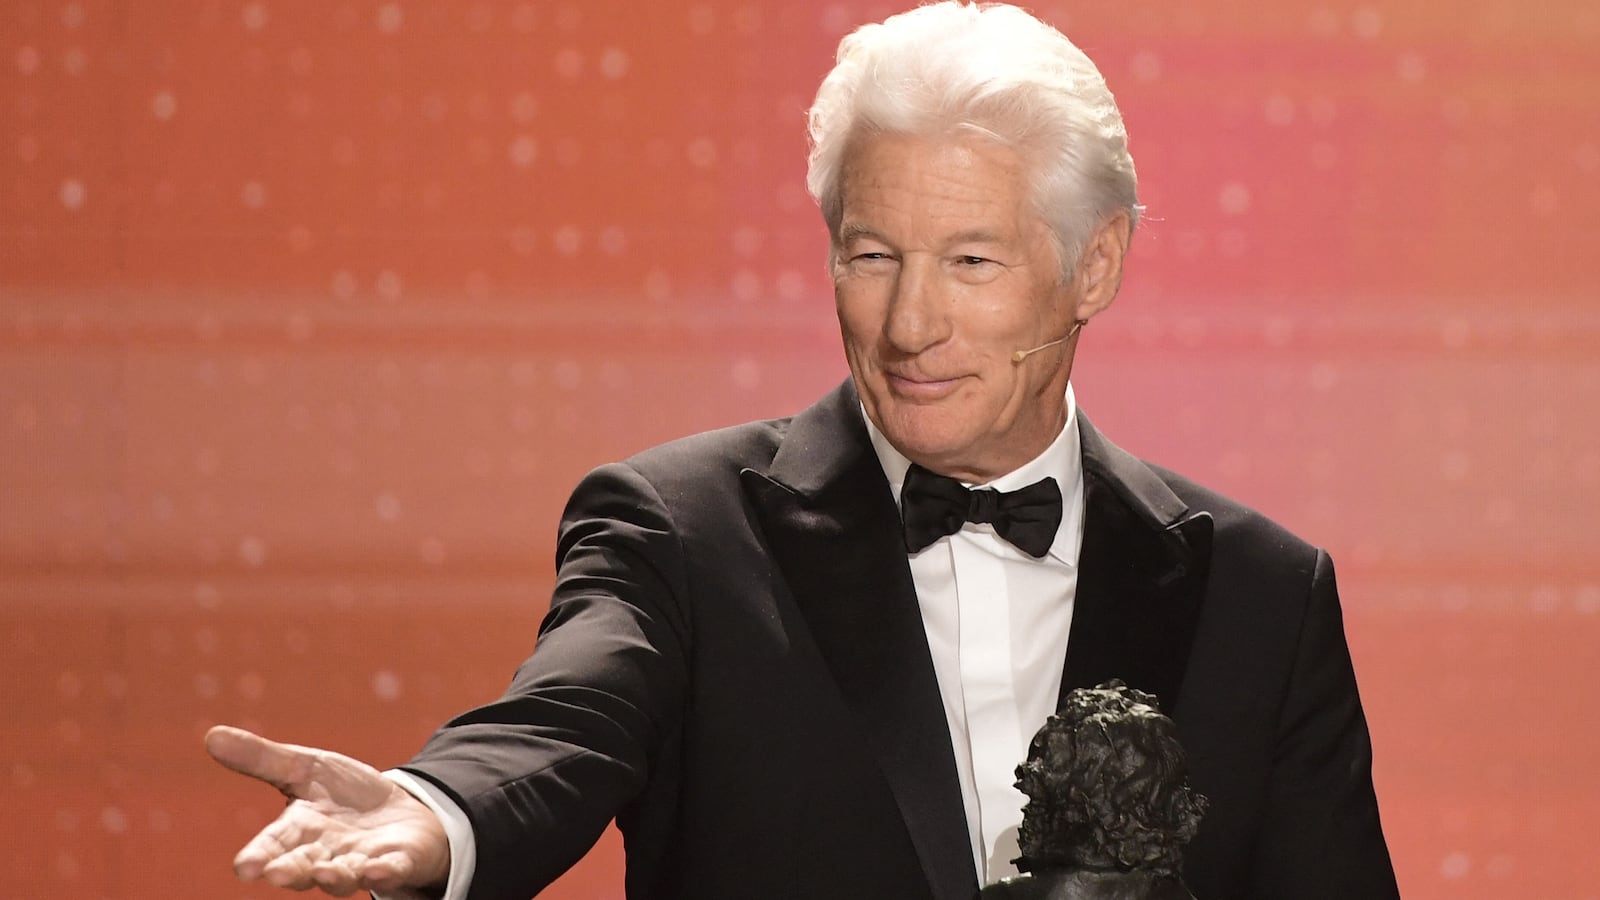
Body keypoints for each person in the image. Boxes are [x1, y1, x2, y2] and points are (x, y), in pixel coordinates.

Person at [206, 3, 1400, 899]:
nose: (908, 324)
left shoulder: (1262, 594)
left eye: (970, 262)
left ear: (1095, 266)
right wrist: (438, 811)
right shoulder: (680, 533)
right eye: (872, 256)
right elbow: (564, 720)